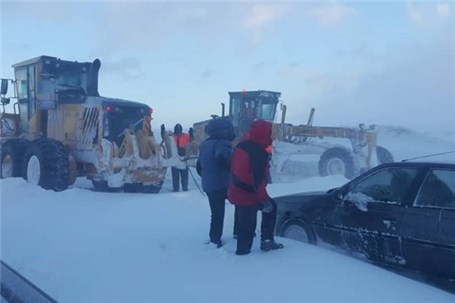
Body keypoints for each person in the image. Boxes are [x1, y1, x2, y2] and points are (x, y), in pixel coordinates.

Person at [228, 119, 283, 255]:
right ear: (264, 134)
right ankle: (248, 253)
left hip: (235, 190)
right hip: (248, 194)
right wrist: (264, 200)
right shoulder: (258, 153)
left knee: (243, 221)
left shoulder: (241, 146)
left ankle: (245, 242)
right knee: (265, 212)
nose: (271, 136)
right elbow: (257, 182)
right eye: (270, 133)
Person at [196, 118, 235, 248]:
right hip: (223, 184)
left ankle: (214, 239)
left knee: (216, 214)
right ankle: (239, 233)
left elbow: (199, 167)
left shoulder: (205, 144)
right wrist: (233, 171)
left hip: (209, 185)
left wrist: (208, 177)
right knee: (242, 205)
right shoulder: (223, 143)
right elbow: (224, 161)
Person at [172, 123, 190, 192]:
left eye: (179, 130)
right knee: (175, 176)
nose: (178, 131)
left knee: (184, 176)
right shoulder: (172, 136)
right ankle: (175, 189)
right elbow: (165, 137)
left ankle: (185, 188)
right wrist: (162, 131)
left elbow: (192, 139)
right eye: (177, 130)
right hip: (175, 158)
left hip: (184, 158)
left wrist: (191, 134)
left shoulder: (185, 136)